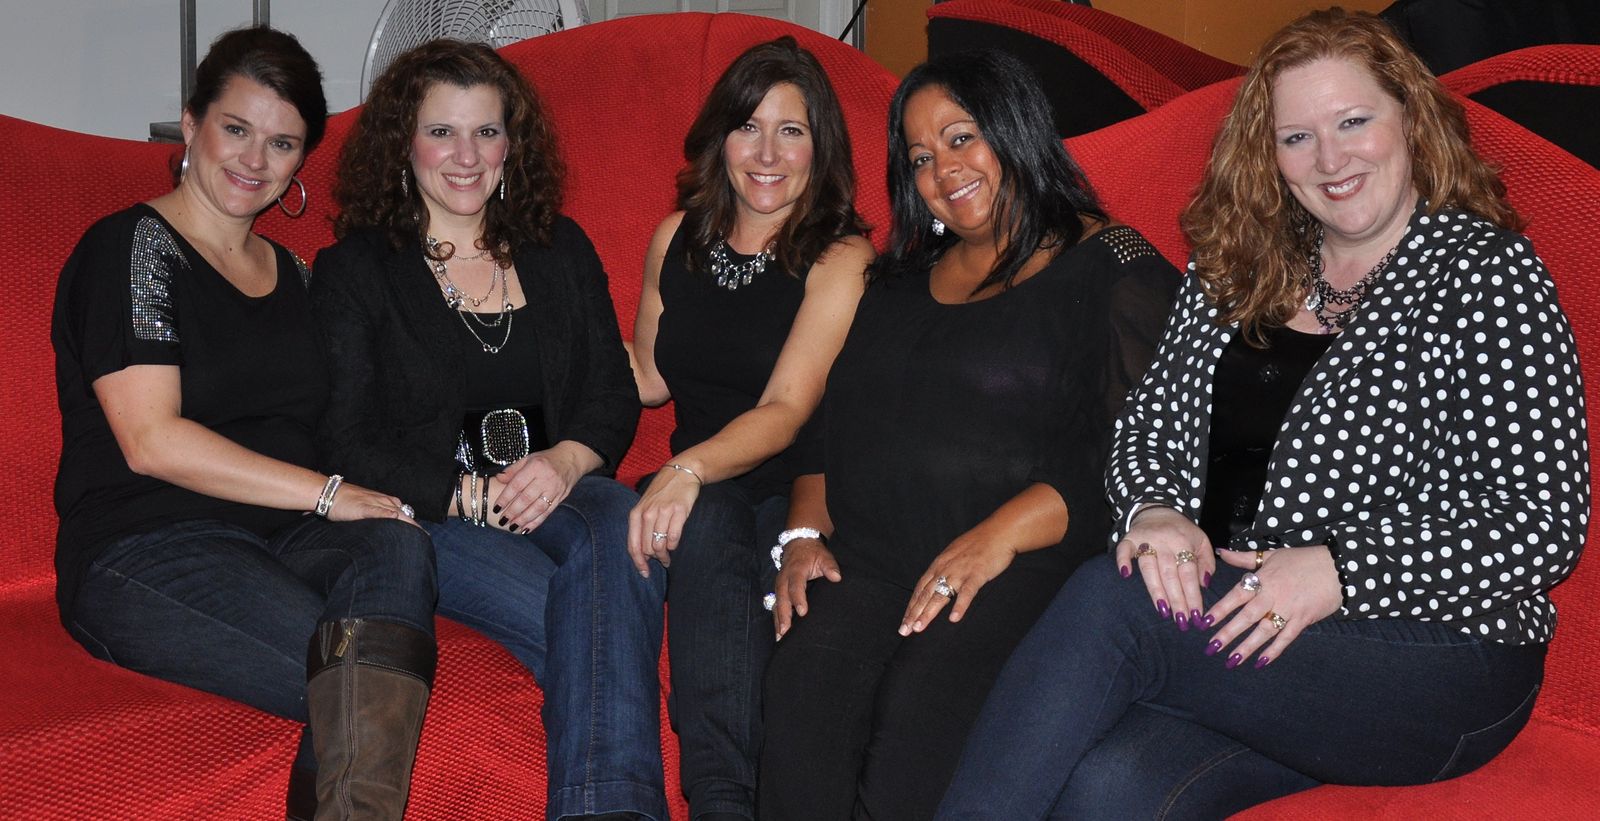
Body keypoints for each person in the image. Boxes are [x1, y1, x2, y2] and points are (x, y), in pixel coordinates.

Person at [937, 9, 1590, 819]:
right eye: (1298, 137)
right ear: (1269, 154)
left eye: (1354, 122)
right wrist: (1156, 511)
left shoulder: (1487, 275)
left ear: (1411, 120)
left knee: (1116, 603)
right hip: (1253, 633)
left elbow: (1541, 521)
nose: (1331, 159)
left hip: (1441, 655)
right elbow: (1146, 426)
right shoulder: (1238, 268)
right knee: (1108, 790)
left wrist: (1342, 570)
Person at [757, 50, 1179, 821]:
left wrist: (997, 535)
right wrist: (803, 534)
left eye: (961, 138)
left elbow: (1145, 452)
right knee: (802, 694)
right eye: (920, 158)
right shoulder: (896, 283)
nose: (943, 170)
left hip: (1022, 564)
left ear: (1017, 130)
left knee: (912, 740)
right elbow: (825, 423)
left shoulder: (1112, 265)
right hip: (872, 559)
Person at [50, 26, 437, 821]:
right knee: (354, 677)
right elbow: (151, 440)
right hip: (149, 546)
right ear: (191, 124)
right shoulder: (132, 248)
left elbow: (359, 412)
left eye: (282, 143)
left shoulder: (298, 275)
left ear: (301, 162)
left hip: (284, 540)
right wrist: (329, 493)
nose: (255, 159)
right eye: (236, 128)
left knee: (398, 541)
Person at [311, 40, 666, 821]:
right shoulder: (356, 270)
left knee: (616, 513)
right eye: (441, 131)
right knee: (593, 621)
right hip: (437, 515)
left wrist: (567, 460)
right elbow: (344, 437)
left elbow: (611, 389)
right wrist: (469, 495)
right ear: (403, 144)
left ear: (513, 144)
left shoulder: (559, 248)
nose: (466, 156)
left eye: (487, 132)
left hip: (563, 494)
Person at [623, 36, 873, 821]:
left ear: (819, 146)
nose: (766, 154)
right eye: (748, 127)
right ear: (720, 138)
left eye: (790, 131)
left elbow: (786, 410)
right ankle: (722, 802)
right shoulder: (677, 236)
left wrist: (685, 470)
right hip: (705, 490)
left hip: (803, 490)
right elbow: (648, 374)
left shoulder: (841, 256)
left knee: (717, 527)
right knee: (705, 524)